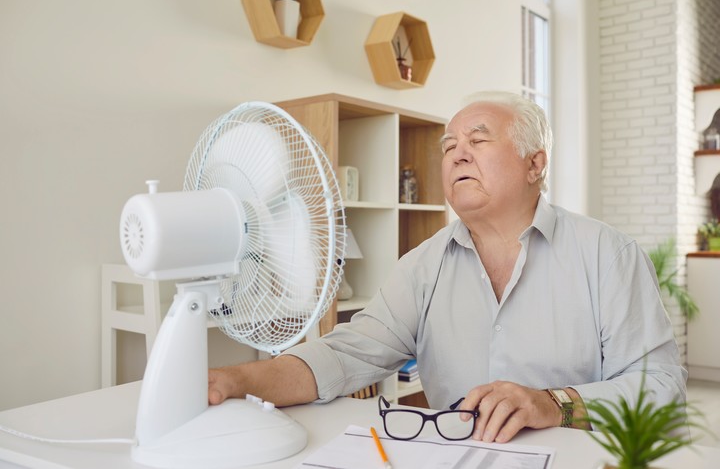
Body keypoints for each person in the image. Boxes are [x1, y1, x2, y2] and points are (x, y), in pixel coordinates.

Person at [208, 91, 687, 443]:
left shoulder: (608, 255)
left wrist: (554, 403)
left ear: (535, 164)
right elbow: (345, 355)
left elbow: (663, 389)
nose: (457, 153)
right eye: (448, 145)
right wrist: (237, 380)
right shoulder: (421, 266)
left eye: (478, 141)